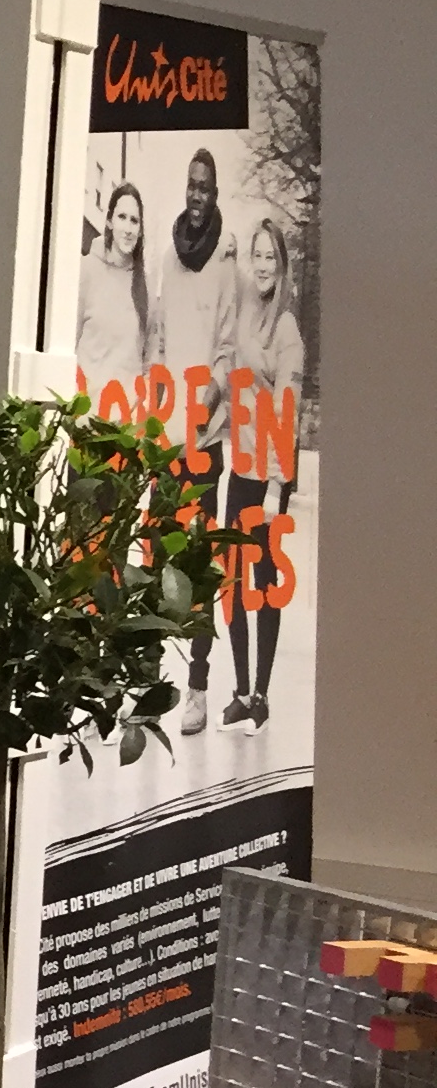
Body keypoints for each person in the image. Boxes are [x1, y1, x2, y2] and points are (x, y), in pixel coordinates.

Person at [156, 150, 241, 734]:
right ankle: (147, 680)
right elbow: (162, 340)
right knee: (158, 554)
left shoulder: (225, 262)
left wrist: (203, 408)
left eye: (205, 187)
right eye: (191, 184)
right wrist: (164, 409)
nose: (196, 194)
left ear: (215, 193)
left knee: (201, 562)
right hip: (168, 437)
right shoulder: (168, 256)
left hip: (204, 438)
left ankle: (199, 687)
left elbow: (227, 352)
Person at [223, 214, 308, 727]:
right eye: (256, 255)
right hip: (240, 467)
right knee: (232, 582)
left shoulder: (287, 328)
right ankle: (238, 691)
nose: (261, 265)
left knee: (264, 582)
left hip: (268, 477)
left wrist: (277, 484)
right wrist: (231, 248)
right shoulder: (247, 310)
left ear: (281, 264)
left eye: (269, 256)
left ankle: (261, 695)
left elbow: (286, 410)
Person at [75, 177, 157, 394]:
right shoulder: (85, 271)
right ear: (109, 221)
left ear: (140, 230)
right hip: (86, 410)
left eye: (134, 221)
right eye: (122, 217)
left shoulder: (146, 286)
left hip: (128, 414)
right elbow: (68, 347)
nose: (128, 228)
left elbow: (150, 363)